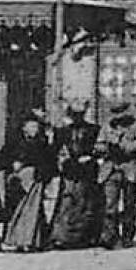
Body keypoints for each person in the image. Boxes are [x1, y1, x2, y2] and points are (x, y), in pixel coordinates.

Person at [49, 102, 103, 249]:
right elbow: (56, 150)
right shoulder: (62, 132)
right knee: (68, 202)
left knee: (87, 202)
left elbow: (100, 148)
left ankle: (86, 237)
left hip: (88, 170)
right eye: (74, 114)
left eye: (80, 114)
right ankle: (63, 237)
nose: (77, 117)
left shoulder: (94, 129)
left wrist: (91, 156)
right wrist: (63, 161)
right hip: (70, 170)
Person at [1, 115, 54, 253]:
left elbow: (48, 161)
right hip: (18, 180)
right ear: (24, 128)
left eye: (36, 127)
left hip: (34, 179)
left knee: (32, 210)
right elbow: (6, 157)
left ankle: (31, 241)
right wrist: (13, 165)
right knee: (18, 210)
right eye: (31, 126)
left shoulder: (41, 143)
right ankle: (17, 240)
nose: (34, 130)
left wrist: (42, 174)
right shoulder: (15, 143)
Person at [100, 103, 136, 249]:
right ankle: (111, 238)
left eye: (121, 112)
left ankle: (128, 236)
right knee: (110, 206)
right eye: (115, 112)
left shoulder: (135, 125)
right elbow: (99, 144)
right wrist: (106, 148)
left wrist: (126, 147)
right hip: (111, 169)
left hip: (130, 168)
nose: (118, 116)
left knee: (130, 206)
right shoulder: (107, 127)